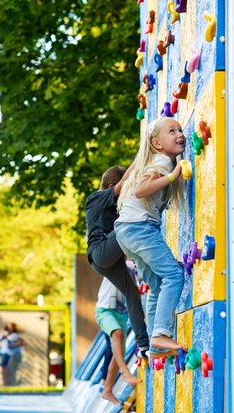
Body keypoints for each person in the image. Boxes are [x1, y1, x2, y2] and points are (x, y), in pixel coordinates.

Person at [115, 117, 187, 358]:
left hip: (127, 231)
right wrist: (171, 176)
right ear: (157, 144)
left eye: (180, 129)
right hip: (139, 229)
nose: (180, 134)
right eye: (172, 131)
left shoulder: (161, 161)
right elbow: (140, 190)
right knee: (174, 275)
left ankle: (156, 345)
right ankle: (160, 333)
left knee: (157, 285)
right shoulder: (162, 163)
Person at [85, 164, 150, 358]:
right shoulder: (96, 197)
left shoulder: (115, 206)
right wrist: (141, 160)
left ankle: (143, 345)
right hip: (100, 251)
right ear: (111, 185)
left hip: (107, 259)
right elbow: (123, 184)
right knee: (127, 223)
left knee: (132, 294)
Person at [95, 277, 140, 405]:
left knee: (118, 352)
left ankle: (107, 390)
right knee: (117, 334)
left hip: (122, 314)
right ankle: (125, 372)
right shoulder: (117, 261)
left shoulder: (137, 268)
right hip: (104, 311)